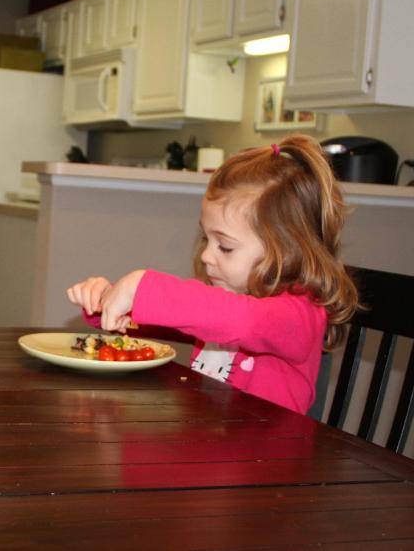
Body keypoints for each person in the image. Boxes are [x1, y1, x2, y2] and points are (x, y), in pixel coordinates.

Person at [66, 135, 358, 414]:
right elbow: (161, 318)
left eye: (226, 247)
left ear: (287, 250)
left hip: (267, 462)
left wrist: (142, 286)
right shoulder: (229, 296)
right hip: (208, 445)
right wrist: (108, 301)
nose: (206, 255)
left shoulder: (298, 314)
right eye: (207, 240)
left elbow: (243, 320)